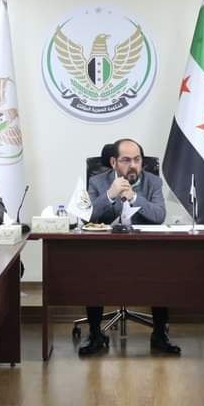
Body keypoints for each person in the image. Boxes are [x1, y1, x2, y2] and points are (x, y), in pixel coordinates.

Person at [79, 139, 176, 356]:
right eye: (126, 160)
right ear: (113, 162)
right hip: (106, 249)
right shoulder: (97, 181)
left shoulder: (153, 182)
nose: (133, 165)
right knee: (92, 270)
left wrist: (135, 198)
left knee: (162, 271)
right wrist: (109, 195)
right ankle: (95, 334)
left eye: (137, 160)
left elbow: (159, 216)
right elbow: (87, 216)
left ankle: (160, 334)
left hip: (144, 249)